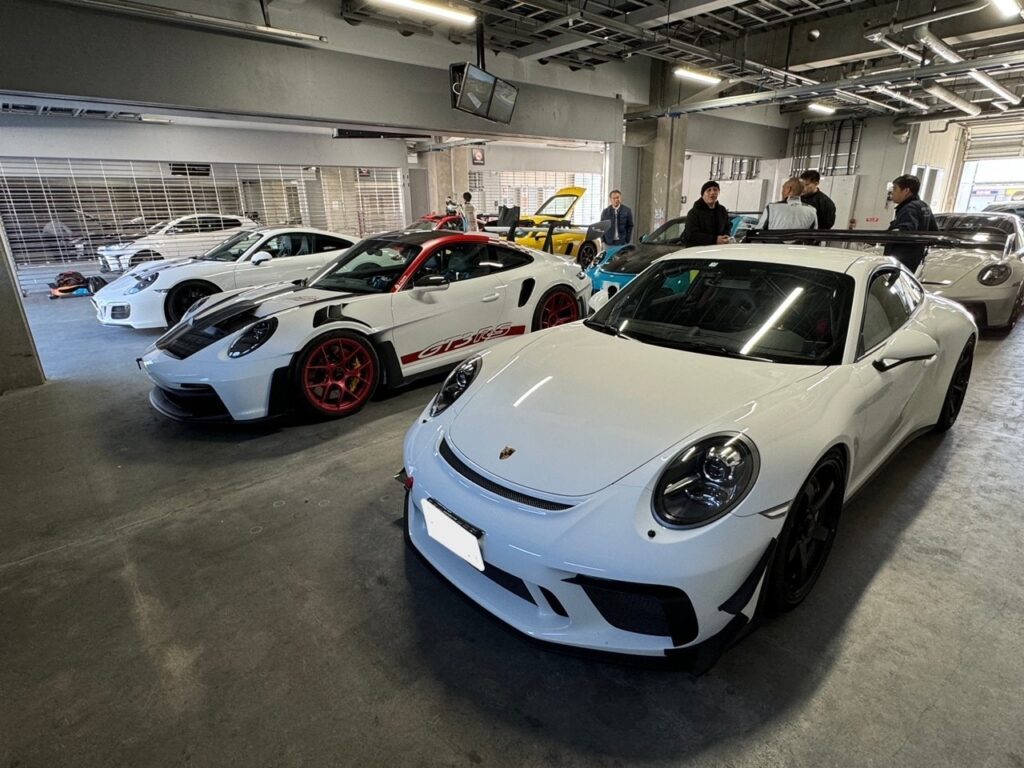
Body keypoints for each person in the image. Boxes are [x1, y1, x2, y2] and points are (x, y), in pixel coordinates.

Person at [884, 174, 938, 273]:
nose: (892, 193)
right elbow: (934, 231)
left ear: (906, 191)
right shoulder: (923, 206)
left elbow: (904, 231)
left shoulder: (909, 208)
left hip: (901, 259)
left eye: (895, 189)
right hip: (915, 259)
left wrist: (888, 234)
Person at [683, 180, 731, 247]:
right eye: (709, 190)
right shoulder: (694, 213)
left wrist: (725, 236)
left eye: (715, 190)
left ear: (718, 192)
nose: (712, 193)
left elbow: (727, 227)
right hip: (697, 250)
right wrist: (715, 240)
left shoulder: (722, 211)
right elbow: (692, 235)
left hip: (718, 249)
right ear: (703, 194)